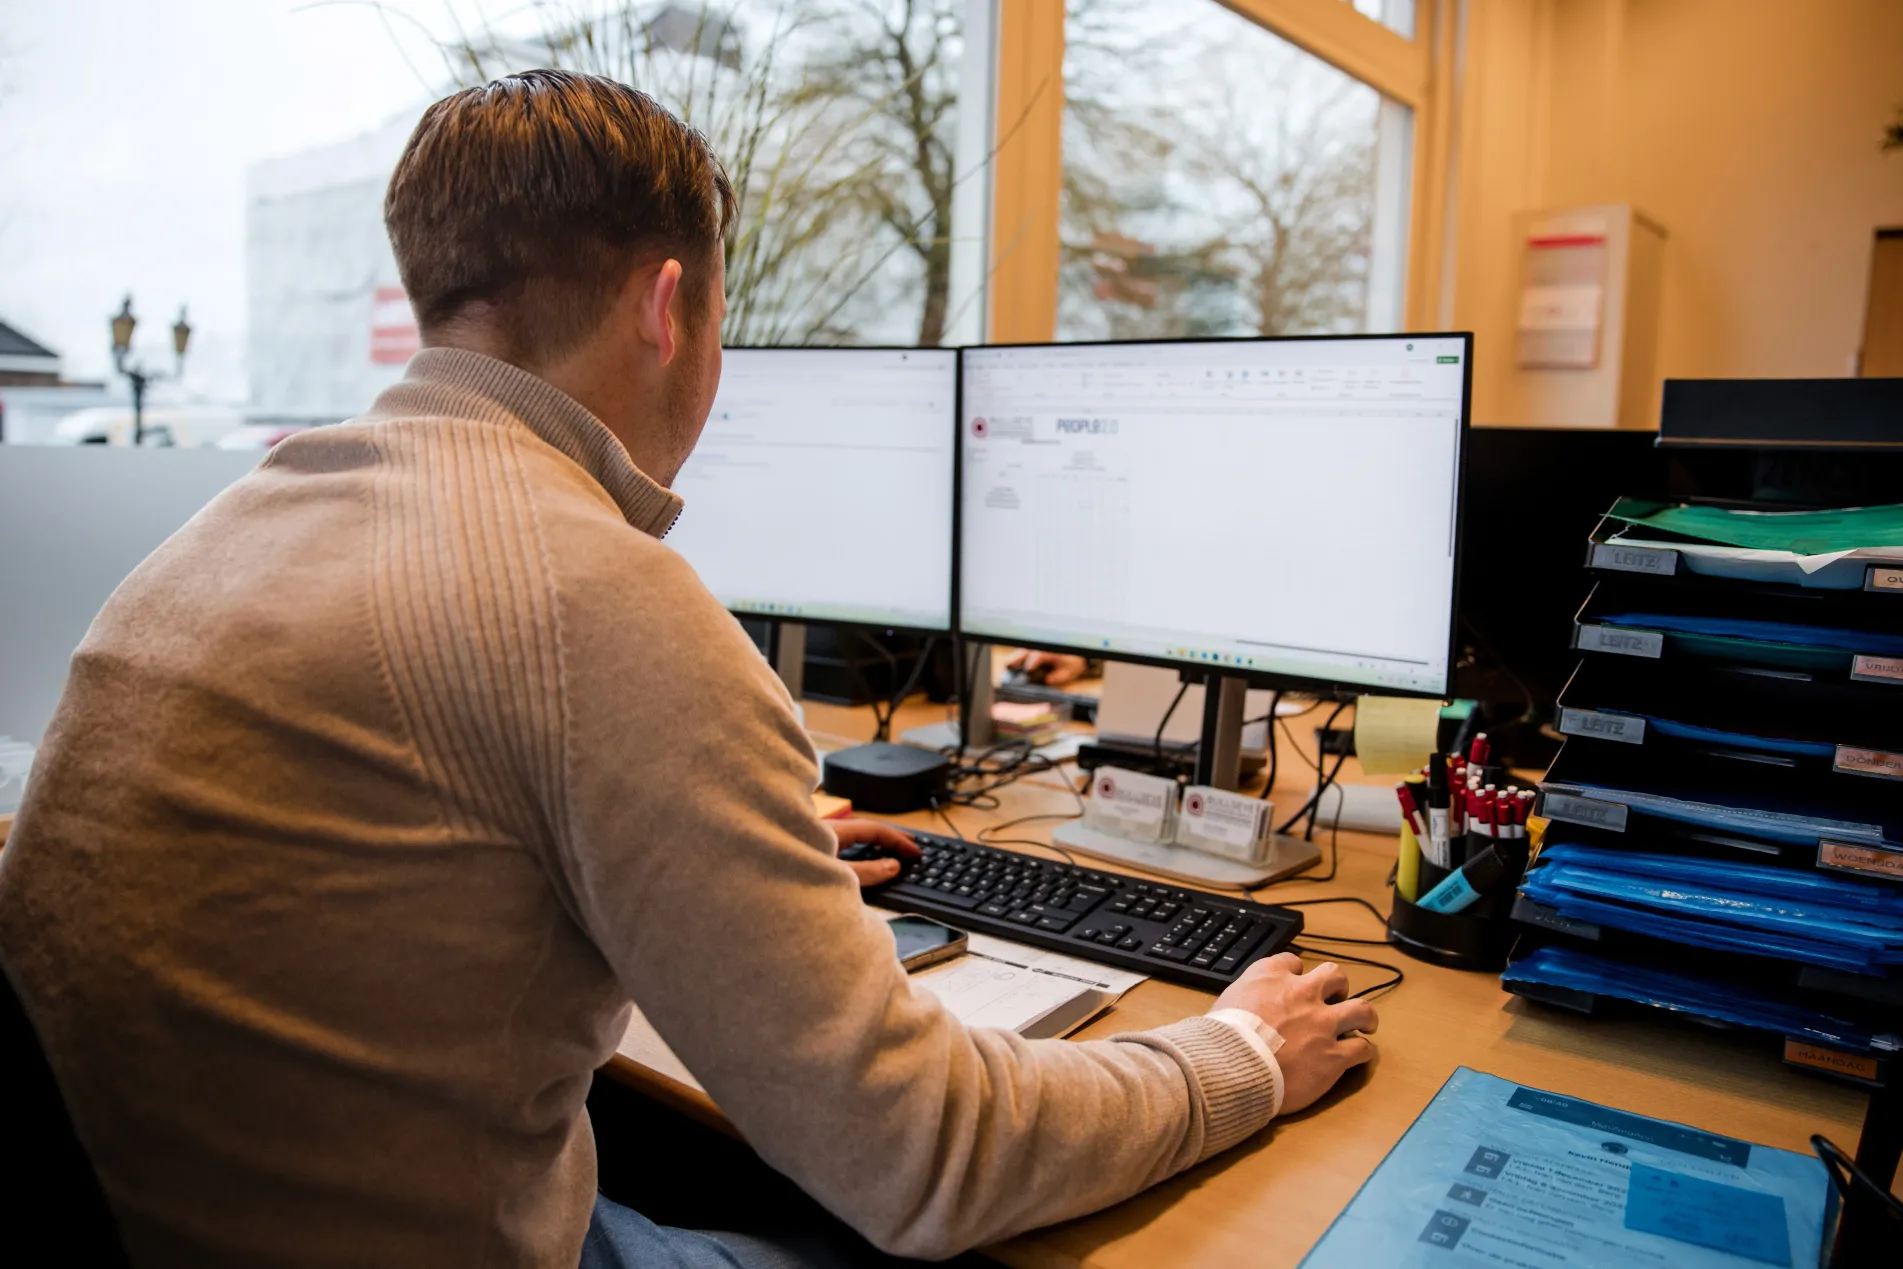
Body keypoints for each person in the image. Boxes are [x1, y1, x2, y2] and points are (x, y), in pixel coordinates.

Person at [0, 71, 1376, 1269]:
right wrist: (1240, 1055)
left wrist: (727, 861)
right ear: (669, 307)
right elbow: (928, 1158)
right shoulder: (589, 590)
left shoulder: (235, 524)